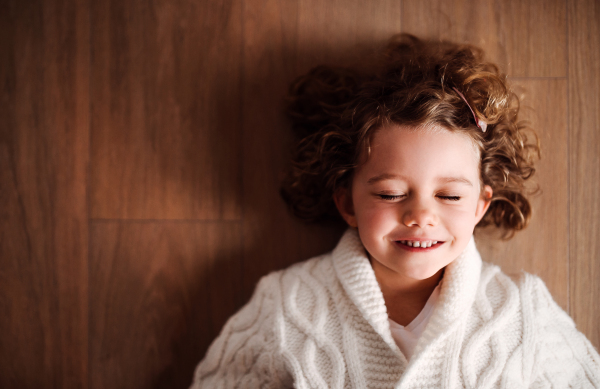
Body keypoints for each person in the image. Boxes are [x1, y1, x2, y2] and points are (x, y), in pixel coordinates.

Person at [190, 34, 600, 388]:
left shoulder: (521, 307)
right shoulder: (287, 302)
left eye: (449, 196)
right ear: (348, 202)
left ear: (480, 205)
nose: (420, 215)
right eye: (389, 194)